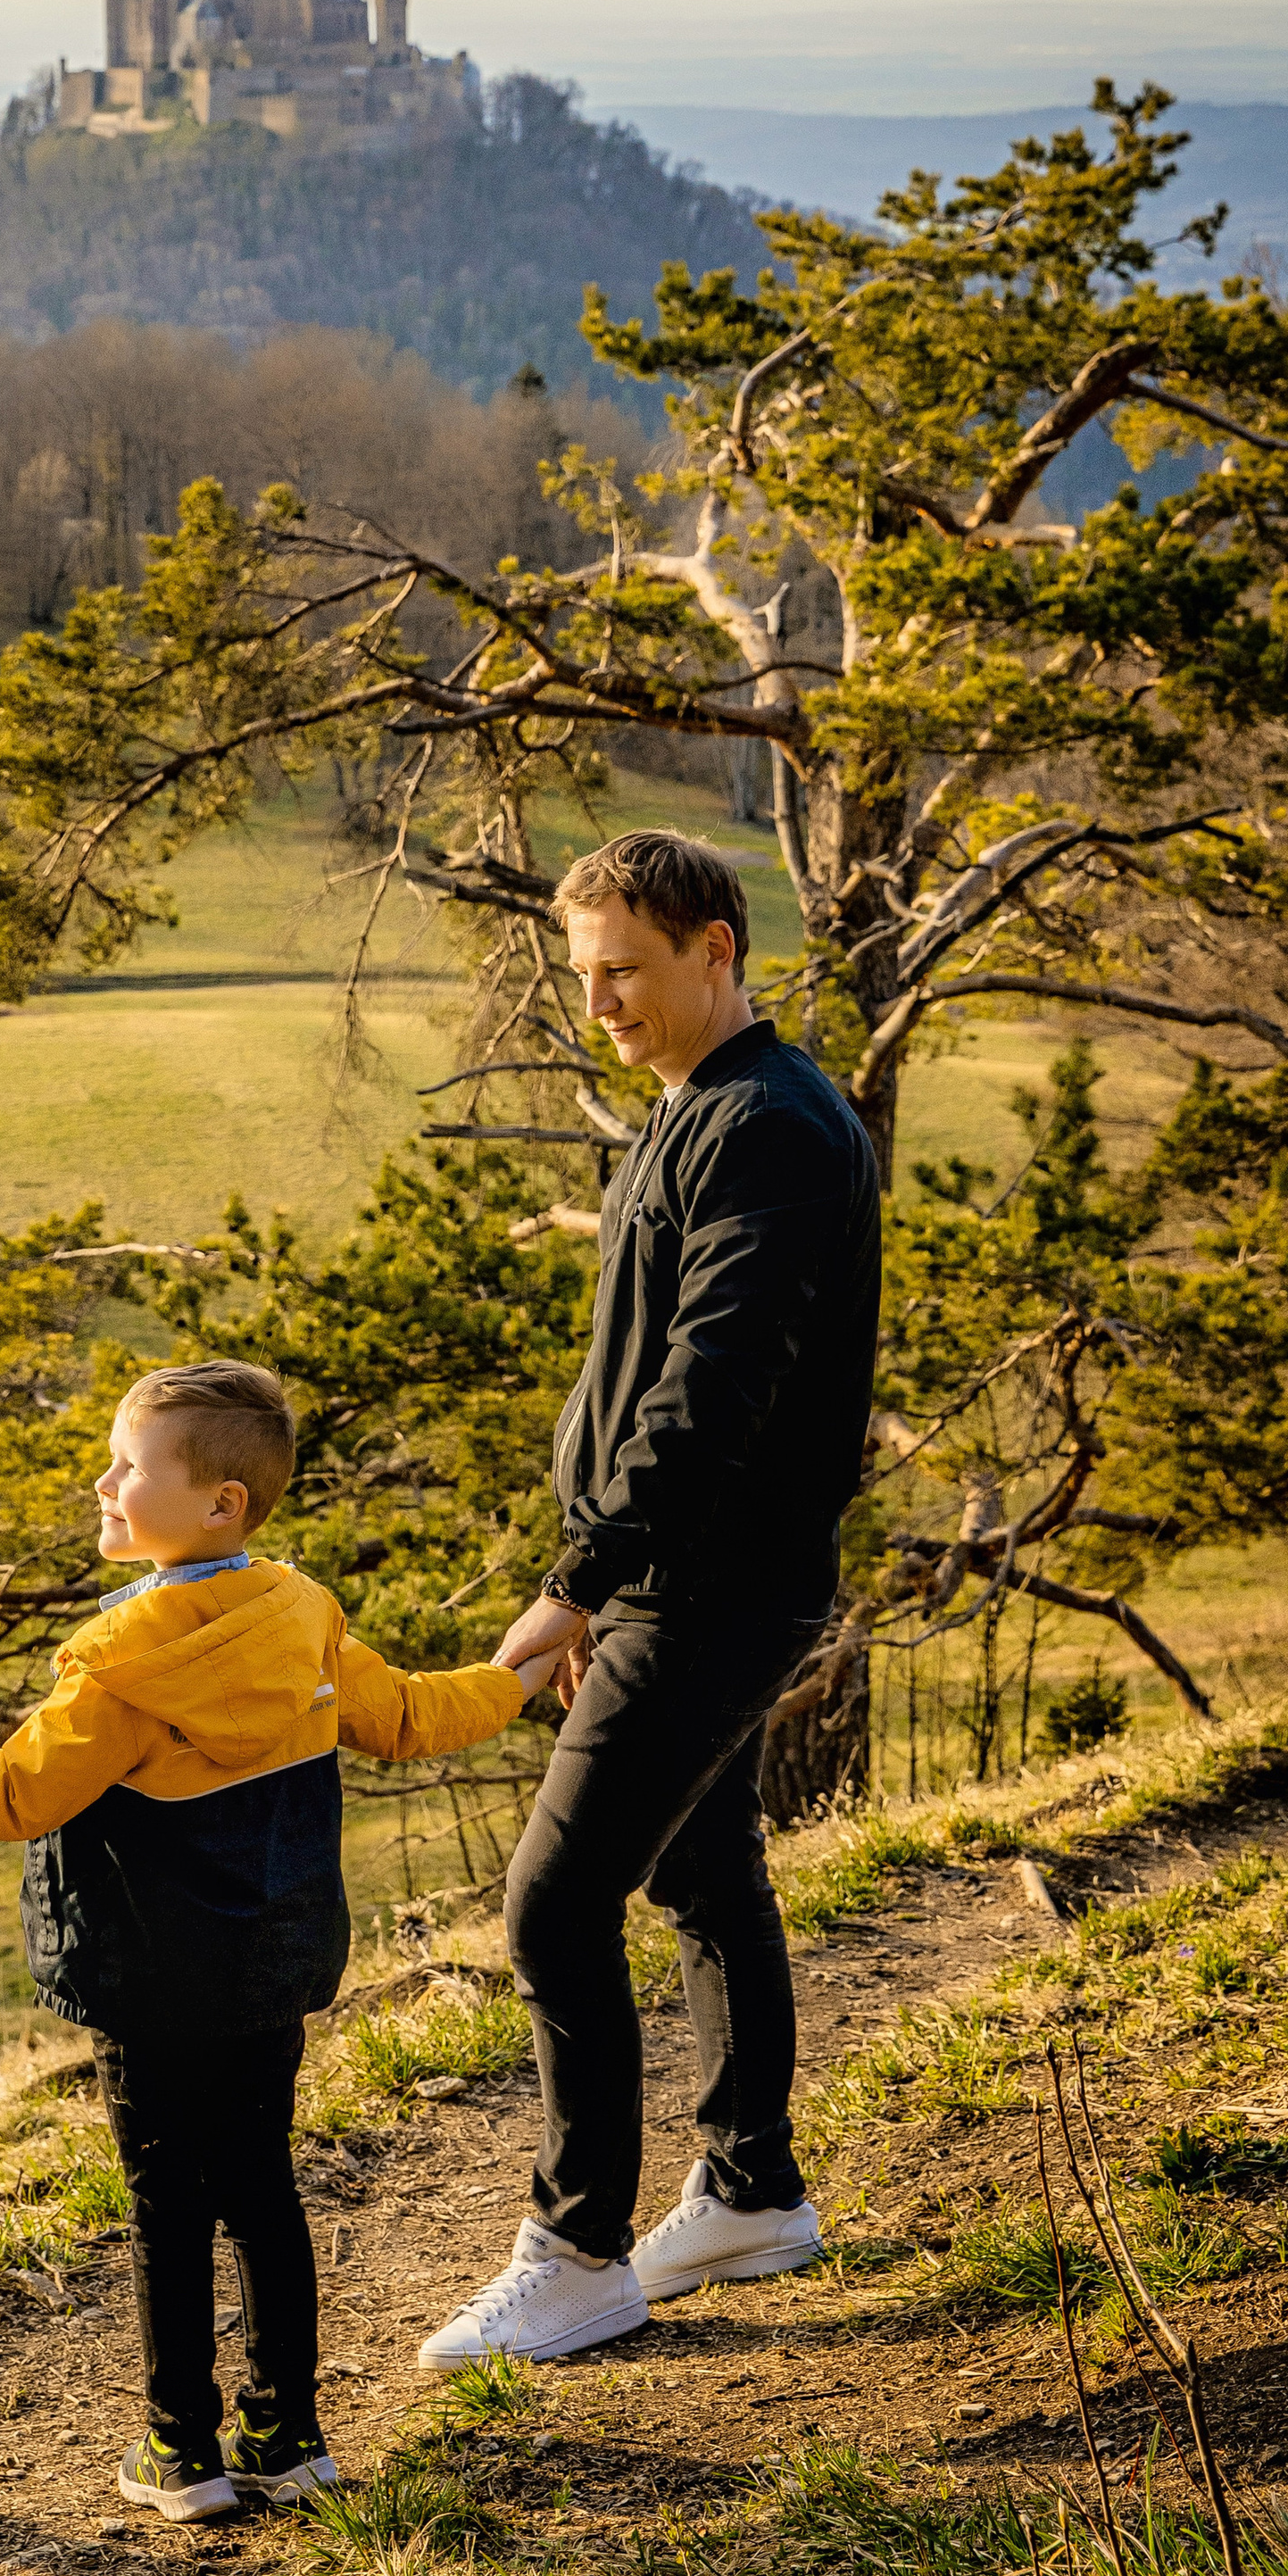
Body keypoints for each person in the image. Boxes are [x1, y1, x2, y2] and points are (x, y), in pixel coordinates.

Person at [0, 1358, 547, 2522]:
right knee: (262, 2187)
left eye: (129, 1466)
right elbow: (412, 1715)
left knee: (167, 2201)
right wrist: (517, 1674)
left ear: (221, 1506)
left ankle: (181, 2451)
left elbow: (12, 1797)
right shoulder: (302, 1616)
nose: (104, 1481)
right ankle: (288, 2434)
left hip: (148, 1981)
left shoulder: (119, 1669)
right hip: (270, 1964)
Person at [420, 829, 881, 2373]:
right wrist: (603, 1574)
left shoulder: (775, 1130)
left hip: (709, 1587)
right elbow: (641, 1382)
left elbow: (712, 1393)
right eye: (586, 972)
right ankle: (750, 2188)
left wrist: (582, 1585)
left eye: (625, 967)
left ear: (715, 948)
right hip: (667, 1579)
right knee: (702, 1868)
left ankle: (578, 2251)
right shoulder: (689, 1113)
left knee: (551, 1903)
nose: (600, 999)